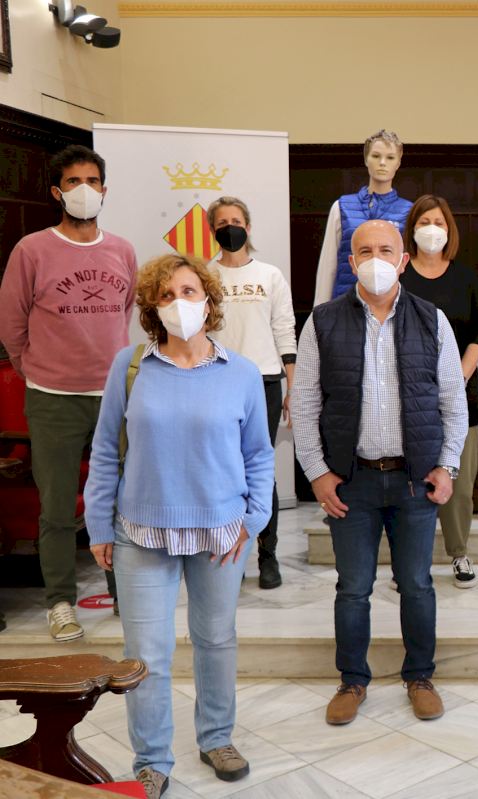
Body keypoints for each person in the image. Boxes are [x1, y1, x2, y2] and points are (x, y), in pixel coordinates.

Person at [83, 253, 274, 799]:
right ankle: (151, 759)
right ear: (152, 308)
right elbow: (105, 449)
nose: (178, 303)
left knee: (216, 640)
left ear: (209, 302)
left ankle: (217, 738)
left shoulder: (240, 372)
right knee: (146, 654)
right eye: (165, 295)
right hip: (141, 531)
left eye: (188, 291)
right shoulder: (129, 367)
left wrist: (254, 518)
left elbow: (259, 455)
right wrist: (99, 525)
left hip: (221, 531)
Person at [291, 220, 467, 727]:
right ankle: (352, 680)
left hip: (415, 480)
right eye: (364, 251)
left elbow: (453, 402)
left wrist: (447, 465)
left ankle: (420, 677)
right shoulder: (323, 322)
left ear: (403, 260)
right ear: (351, 263)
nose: (375, 259)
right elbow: (304, 404)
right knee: (353, 588)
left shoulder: (432, 319)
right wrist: (317, 473)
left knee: (416, 585)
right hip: (352, 482)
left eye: (385, 250)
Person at [0, 144, 137, 641]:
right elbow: (12, 324)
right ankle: (60, 602)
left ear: (105, 189)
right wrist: (37, 370)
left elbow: (124, 311)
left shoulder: (122, 250)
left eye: (93, 180)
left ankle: (125, 593)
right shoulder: (31, 250)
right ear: (57, 192)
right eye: (74, 181)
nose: (85, 189)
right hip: (53, 398)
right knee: (57, 507)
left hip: (113, 396)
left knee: (123, 500)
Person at [207, 196, 297, 590]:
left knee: (260, 472)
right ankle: (231, 550)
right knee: (223, 472)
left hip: (264, 381)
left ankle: (268, 554)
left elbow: (284, 330)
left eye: (236, 220)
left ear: (248, 226)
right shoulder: (205, 276)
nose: (230, 226)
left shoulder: (270, 275)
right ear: (213, 230)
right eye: (222, 222)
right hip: (217, 380)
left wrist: (293, 385)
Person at [400, 195, 478, 588]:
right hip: (408, 396)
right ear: (412, 229)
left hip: (460, 394)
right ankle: (408, 562)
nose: (432, 229)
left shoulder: (465, 278)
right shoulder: (399, 276)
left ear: (449, 230)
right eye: (424, 222)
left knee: (459, 481)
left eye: (438, 222)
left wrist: (459, 375)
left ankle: (459, 552)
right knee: (408, 481)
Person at [313, 130, 412, 306]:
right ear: (366, 159)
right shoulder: (342, 207)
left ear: (398, 162)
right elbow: (328, 266)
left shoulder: (409, 211)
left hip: (391, 306)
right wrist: (319, 311)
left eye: (390, 157)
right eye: (376, 156)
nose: (382, 163)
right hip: (345, 303)